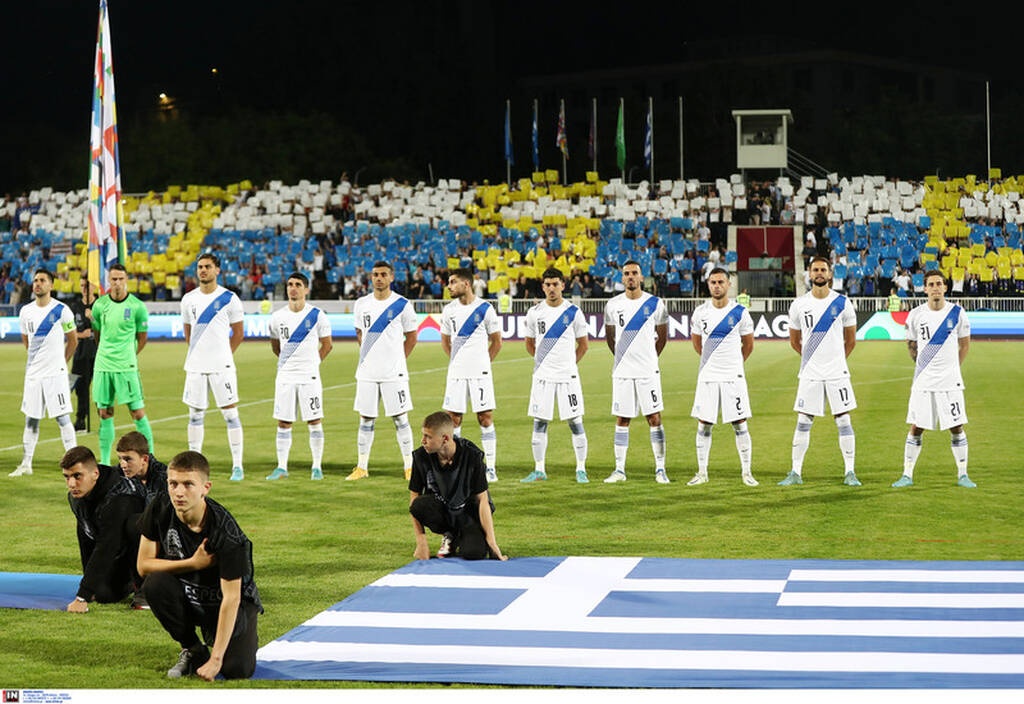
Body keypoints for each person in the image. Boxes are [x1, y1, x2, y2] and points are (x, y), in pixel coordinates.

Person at [137, 451, 263, 680]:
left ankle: (220, 640)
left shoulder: (226, 534)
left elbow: (232, 598)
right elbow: (143, 566)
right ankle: (193, 648)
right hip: (190, 592)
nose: (179, 492)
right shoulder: (159, 507)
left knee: (237, 670)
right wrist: (193, 563)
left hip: (227, 602)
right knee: (155, 584)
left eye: (188, 484)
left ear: (206, 488)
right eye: (173, 483)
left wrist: (216, 660)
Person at [780, 256, 859, 486]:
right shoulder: (799, 304)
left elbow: (850, 341)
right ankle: (795, 472)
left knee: (843, 420)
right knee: (803, 420)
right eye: (815, 270)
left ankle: (850, 472)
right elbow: (794, 341)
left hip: (837, 373)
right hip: (810, 373)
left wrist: (835, 361)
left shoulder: (843, 303)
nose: (819, 273)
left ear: (830, 274)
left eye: (823, 269)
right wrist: (812, 360)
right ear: (809, 274)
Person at [893, 271, 975, 488]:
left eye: (939, 283)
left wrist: (952, 368)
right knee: (916, 427)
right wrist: (924, 367)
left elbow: (964, 345)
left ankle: (963, 475)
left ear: (945, 287)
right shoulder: (916, 315)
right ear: (925, 289)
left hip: (950, 382)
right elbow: (911, 345)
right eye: (931, 284)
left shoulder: (957, 313)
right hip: (924, 381)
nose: (936, 287)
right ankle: (907, 475)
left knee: (956, 426)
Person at [347, 261, 418, 481]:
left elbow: (412, 337)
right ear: (371, 277)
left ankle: (410, 467)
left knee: (400, 418)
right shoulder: (361, 304)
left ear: (391, 277)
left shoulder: (402, 304)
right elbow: (359, 332)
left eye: (383, 274)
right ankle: (362, 467)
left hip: (394, 373)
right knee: (366, 419)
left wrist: (397, 360)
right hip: (367, 373)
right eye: (375, 274)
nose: (379, 278)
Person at [688, 268, 758, 486]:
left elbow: (748, 345)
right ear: (708, 285)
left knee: (740, 423)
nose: (716, 286)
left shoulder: (740, 312)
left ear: (729, 284)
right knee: (704, 424)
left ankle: (747, 472)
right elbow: (697, 344)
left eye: (720, 282)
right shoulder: (700, 312)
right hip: (708, 376)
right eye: (713, 282)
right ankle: (702, 472)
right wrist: (711, 362)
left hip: (733, 377)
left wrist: (733, 364)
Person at [519, 268, 590, 484]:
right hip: (543, 377)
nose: (551, 288)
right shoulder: (535, 313)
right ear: (543, 287)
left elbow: (583, 345)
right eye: (548, 284)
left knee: (575, 422)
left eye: (555, 284)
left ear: (563, 286)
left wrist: (568, 364)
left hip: (568, 377)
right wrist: (544, 363)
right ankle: (539, 469)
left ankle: (581, 469)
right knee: (539, 422)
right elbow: (529, 344)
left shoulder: (573, 312)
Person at [603, 260, 670, 484]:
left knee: (654, 418)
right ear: (622, 278)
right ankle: (619, 470)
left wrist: (648, 359)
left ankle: (660, 469)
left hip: (647, 371)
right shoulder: (613, 305)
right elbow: (610, 338)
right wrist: (623, 358)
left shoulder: (655, 303)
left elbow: (662, 337)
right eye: (627, 273)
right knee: (622, 418)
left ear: (642, 277)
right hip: (622, 372)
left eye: (634, 273)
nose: (630, 276)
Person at [181, 253, 245, 480]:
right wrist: (200, 354)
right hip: (195, 367)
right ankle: (194, 464)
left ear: (217, 270)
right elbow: (188, 333)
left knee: (230, 414)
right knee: (195, 415)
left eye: (207, 266)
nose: (203, 270)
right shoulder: (188, 299)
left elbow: (238, 333)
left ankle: (237, 465)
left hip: (222, 367)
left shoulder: (229, 298)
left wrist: (223, 355)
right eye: (200, 267)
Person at [409, 411, 506, 561]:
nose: (423, 441)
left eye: (428, 436)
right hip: (444, 509)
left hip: (469, 513)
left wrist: (492, 542)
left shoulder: (472, 456)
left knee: (474, 553)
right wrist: (421, 541)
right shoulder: (421, 457)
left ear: (445, 438)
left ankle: (460, 536)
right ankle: (450, 534)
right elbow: (413, 498)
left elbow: (483, 500)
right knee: (419, 505)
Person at [61, 445, 146, 612]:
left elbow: (107, 546)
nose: (71, 484)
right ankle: (127, 581)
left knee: (134, 525)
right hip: (120, 548)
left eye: (77, 476)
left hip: (153, 552)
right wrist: (88, 585)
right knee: (104, 594)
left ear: (95, 474)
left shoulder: (119, 498)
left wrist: (82, 597)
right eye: (67, 477)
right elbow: (86, 533)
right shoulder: (77, 496)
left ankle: (144, 587)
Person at [11, 269, 79, 477]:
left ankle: (75, 463)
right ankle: (26, 464)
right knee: (31, 419)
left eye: (42, 280)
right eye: (35, 281)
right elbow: (26, 340)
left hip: (55, 375)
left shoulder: (61, 310)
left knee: (62, 418)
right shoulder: (26, 311)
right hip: (33, 375)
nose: (37, 284)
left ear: (51, 285)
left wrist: (61, 362)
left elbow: (73, 340)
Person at [266, 272, 333, 481]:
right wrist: (288, 363)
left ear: (306, 289)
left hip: (309, 376)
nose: (293, 288)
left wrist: (313, 363)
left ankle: (316, 467)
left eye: (297, 285)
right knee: (284, 422)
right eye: (290, 284)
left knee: (314, 420)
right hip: (285, 376)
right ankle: (281, 467)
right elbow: (276, 347)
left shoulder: (317, 315)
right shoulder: (277, 317)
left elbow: (327, 345)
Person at [440, 267, 502, 482]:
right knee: (453, 419)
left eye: (453, 282)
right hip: (456, 373)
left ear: (466, 284)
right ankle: (456, 466)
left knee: (485, 418)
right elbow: (445, 341)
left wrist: (483, 363)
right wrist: (456, 361)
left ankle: (490, 468)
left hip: (480, 373)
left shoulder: (485, 309)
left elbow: (497, 342)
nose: (449, 286)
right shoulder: (449, 310)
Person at [91, 264, 154, 465]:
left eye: (120, 279)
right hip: (103, 366)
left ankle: (150, 459)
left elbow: (142, 338)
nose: (117, 283)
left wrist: (129, 356)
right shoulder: (100, 305)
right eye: (114, 279)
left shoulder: (137, 306)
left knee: (137, 412)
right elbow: (97, 334)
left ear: (126, 280)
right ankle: (104, 462)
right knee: (104, 413)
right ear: (108, 281)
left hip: (126, 367)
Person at [70, 276, 97, 431]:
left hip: (97, 353)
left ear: (93, 286)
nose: (84, 289)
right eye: (81, 286)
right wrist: (82, 334)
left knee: (100, 389)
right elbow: (69, 331)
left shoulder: (101, 305)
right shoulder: (75, 307)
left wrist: (92, 318)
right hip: (80, 354)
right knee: (80, 388)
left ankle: (104, 419)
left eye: (87, 286)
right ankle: (80, 419)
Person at [116, 430, 168, 505]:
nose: (123, 465)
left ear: (144, 459)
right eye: (120, 459)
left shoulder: (164, 479)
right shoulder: (118, 473)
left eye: (128, 459)